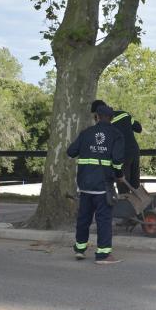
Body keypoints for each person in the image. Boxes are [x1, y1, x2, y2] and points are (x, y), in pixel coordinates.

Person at [68, 104, 126, 265]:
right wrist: (119, 176)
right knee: (104, 219)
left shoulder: (86, 133)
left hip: (85, 184)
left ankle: (80, 249)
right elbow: (117, 161)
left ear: (97, 117)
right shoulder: (116, 135)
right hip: (103, 185)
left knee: (84, 218)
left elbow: (71, 152)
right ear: (112, 118)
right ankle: (103, 255)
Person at [91, 100, 142, 191]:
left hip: (121, 157)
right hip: (134, 152)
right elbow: (138, 128)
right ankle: (139, 203)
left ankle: (126, 204)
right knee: (135, 185)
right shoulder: (124, 114)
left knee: (123, 187)